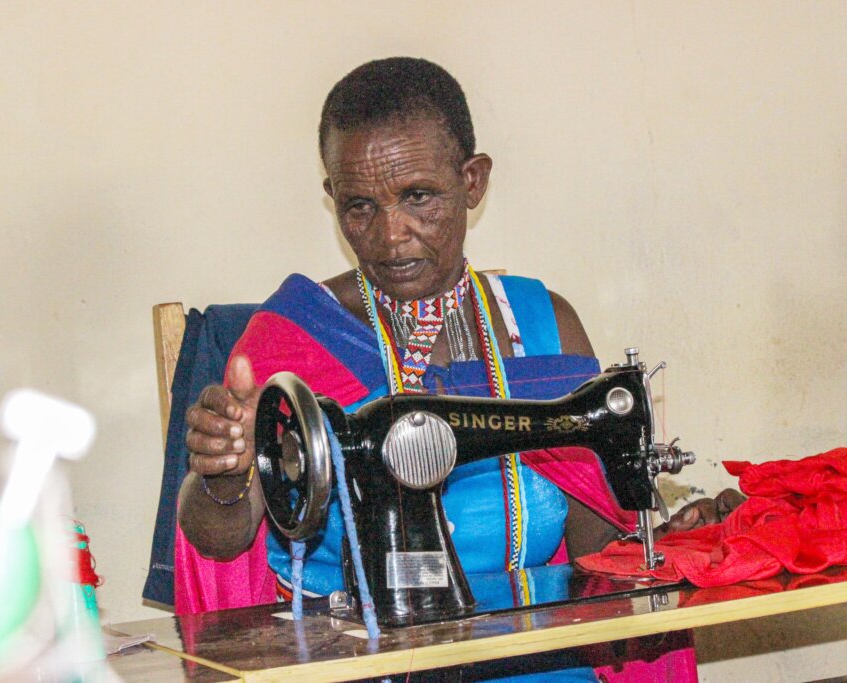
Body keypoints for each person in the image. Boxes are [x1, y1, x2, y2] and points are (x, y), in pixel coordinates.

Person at [176, 57, 742, 680]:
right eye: (360, 206)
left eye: (418, 197)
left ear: (472, 182)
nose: (392, 236)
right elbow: (219, 540)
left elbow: (599, 554)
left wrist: (674, 537)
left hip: (536, 658)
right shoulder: (290, 341)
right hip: (356, 663)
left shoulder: (542, 326)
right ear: (332, 198)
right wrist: (224, 477)